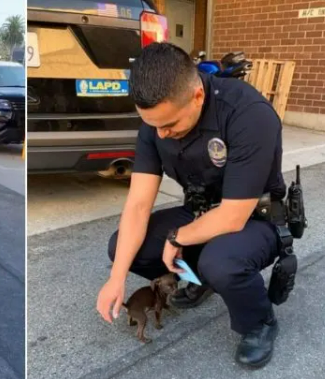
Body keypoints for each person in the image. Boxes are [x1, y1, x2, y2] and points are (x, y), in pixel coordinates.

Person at [96, 42, 288, 368]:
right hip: (200, 210)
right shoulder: (157, 123)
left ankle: (259, 322)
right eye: (153, 125)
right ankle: (205, 280)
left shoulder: (247, 114)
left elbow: (232, 216)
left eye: (169, 124)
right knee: (124, 247)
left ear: (197, 96)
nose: (162, 133)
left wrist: (177, 238)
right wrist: (117, 279)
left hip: (256, 217)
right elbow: (139, 205)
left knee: (222, 260)